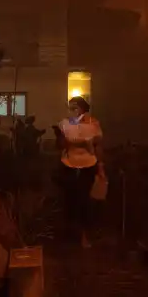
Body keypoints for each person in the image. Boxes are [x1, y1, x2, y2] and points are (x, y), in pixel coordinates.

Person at [55, 96, 105, 248]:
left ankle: (84, 236)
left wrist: (101, 167)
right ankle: (70, 235)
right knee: (69, 199)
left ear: (83, 109)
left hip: (88, 165)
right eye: (70, 107)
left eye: (75, 107)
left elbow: (98, 146)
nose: (72, 111)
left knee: (85, 200)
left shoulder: (93, 123)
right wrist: (62, 138)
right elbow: (59, 145)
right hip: (69, 165)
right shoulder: (64, 124)